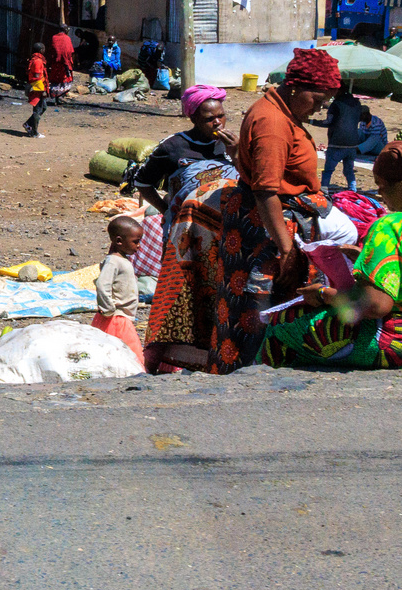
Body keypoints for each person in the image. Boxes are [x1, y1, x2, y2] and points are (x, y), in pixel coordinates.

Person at [144, 46, 345, 374]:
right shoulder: (273, 125)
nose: (320, 108)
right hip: (262, 231)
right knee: (255, 309)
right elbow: (266, 190)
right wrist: (287, 250)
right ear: (296, 87)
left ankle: (243, 367)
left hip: (258, 225)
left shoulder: (274, 110)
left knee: (250, 310)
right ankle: (245, 375)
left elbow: (253, 172)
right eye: (319, 100)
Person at [260, 142, 402, 369]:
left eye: (382, 185)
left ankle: (265, 387)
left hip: (394, 341)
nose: (380, 192)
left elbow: (375, 305)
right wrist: (364, 259)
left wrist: (323, 293)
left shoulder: (388, 227)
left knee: (282, 324)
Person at [134, 85, 236, 214]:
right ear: (194, 119)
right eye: (209, 119)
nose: (217, 122)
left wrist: (237, 153)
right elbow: (142, 182)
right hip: (187, 223)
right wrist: (167, 211)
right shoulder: (173, 146)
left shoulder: (231, 144)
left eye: (221, 116)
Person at [93, 216, 142, 357]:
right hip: (116, 318)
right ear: (119, 241)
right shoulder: (113, 261)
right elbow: (102, 284)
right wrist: (107, 309)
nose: (138, 246)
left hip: (121, 317)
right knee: (128, 354)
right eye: (135, 242)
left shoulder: (120, 260)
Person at [315, 82, 364, 195]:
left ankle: (324, 191)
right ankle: (353, 191)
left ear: (338, 90)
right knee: (349, 170)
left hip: (337, 143)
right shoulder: (357, 104)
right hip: (352, 143)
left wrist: (311, 121)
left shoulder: (336, 104)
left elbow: (328, 122)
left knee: (328, 170)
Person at [22, 42, 47, 138]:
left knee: (43, 107)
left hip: (38, 87)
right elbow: (37, 77)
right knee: (38, 109)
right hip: (38, 89)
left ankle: (28, 124)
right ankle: (34, 132)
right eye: (44, 49)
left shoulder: (37, 60)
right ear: (41, 50)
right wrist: (43, 90)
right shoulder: (38, 61)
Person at [47, 28, 75, 101]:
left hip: (56, 63)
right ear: (66, 30)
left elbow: (52, 49)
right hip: (65, 64)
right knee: (64, 80)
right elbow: (70, 51)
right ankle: (60, 97)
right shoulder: (67, 38)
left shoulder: (54, 37)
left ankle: (56, 97)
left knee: (56, 79)